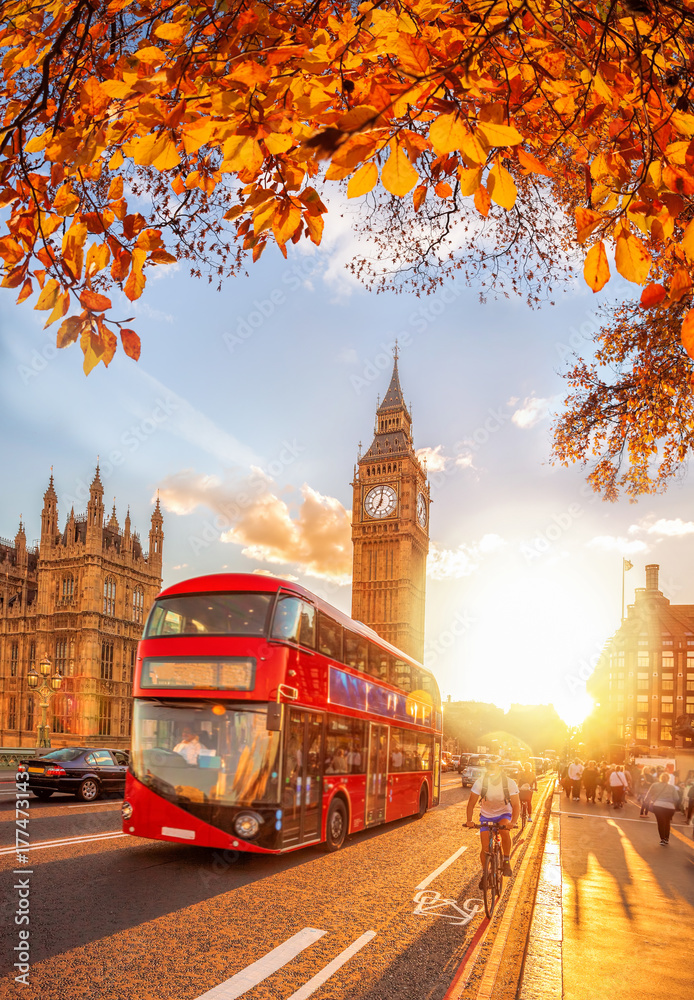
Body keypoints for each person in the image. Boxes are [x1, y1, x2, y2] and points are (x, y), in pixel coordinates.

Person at [465, 761, 520, 886]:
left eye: (494, 768)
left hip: (504, 813)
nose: (492, 771)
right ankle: (486, 873)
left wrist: (513, 822)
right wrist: (469, 820)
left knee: (504, 831)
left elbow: (516, 805)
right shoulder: (481, 782)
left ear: (500, 770)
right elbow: (471, 803)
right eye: (489, 769)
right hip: (486, 815)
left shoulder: (509, 783)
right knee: (485, 848)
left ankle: (506, 860)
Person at [643, 772, 682, 844]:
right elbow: (677, 798)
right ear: (668, 779)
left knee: (661, 822)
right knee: (667, 822)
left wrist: (646, 801)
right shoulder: (672, 787)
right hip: (670, 807)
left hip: (658, 805)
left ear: (660, 778)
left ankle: (662, 839)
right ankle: (667, 838)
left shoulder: (655, 785)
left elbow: (648, 794)